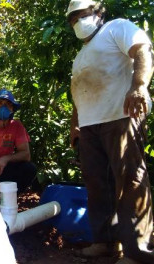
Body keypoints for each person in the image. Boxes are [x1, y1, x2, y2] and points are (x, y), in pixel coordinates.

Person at [66, 0, 154, 263]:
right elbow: (79, 93)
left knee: (130, 183)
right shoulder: (82, 54)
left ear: (97, 12)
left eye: (82, 15)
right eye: (73, 19)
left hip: (121, 116)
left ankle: (138, 253)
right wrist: (75, 124)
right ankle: (106, 243)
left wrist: (139, 85)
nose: (77, 22)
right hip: (90, 126)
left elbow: (143, 50)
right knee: (97, 186)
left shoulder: (117, 28)